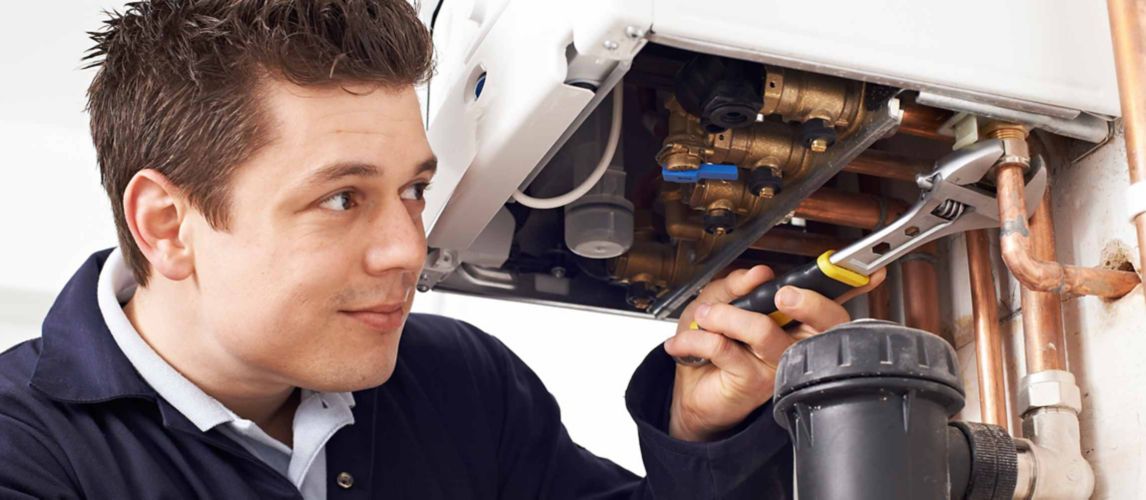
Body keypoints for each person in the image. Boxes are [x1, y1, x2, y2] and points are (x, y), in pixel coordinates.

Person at [0, 1, 883, 498]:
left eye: (413, 190)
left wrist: (705, 431)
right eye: (341, 198)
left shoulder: (457, 380)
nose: (405, 251)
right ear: (166, 223)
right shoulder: (23, 453)